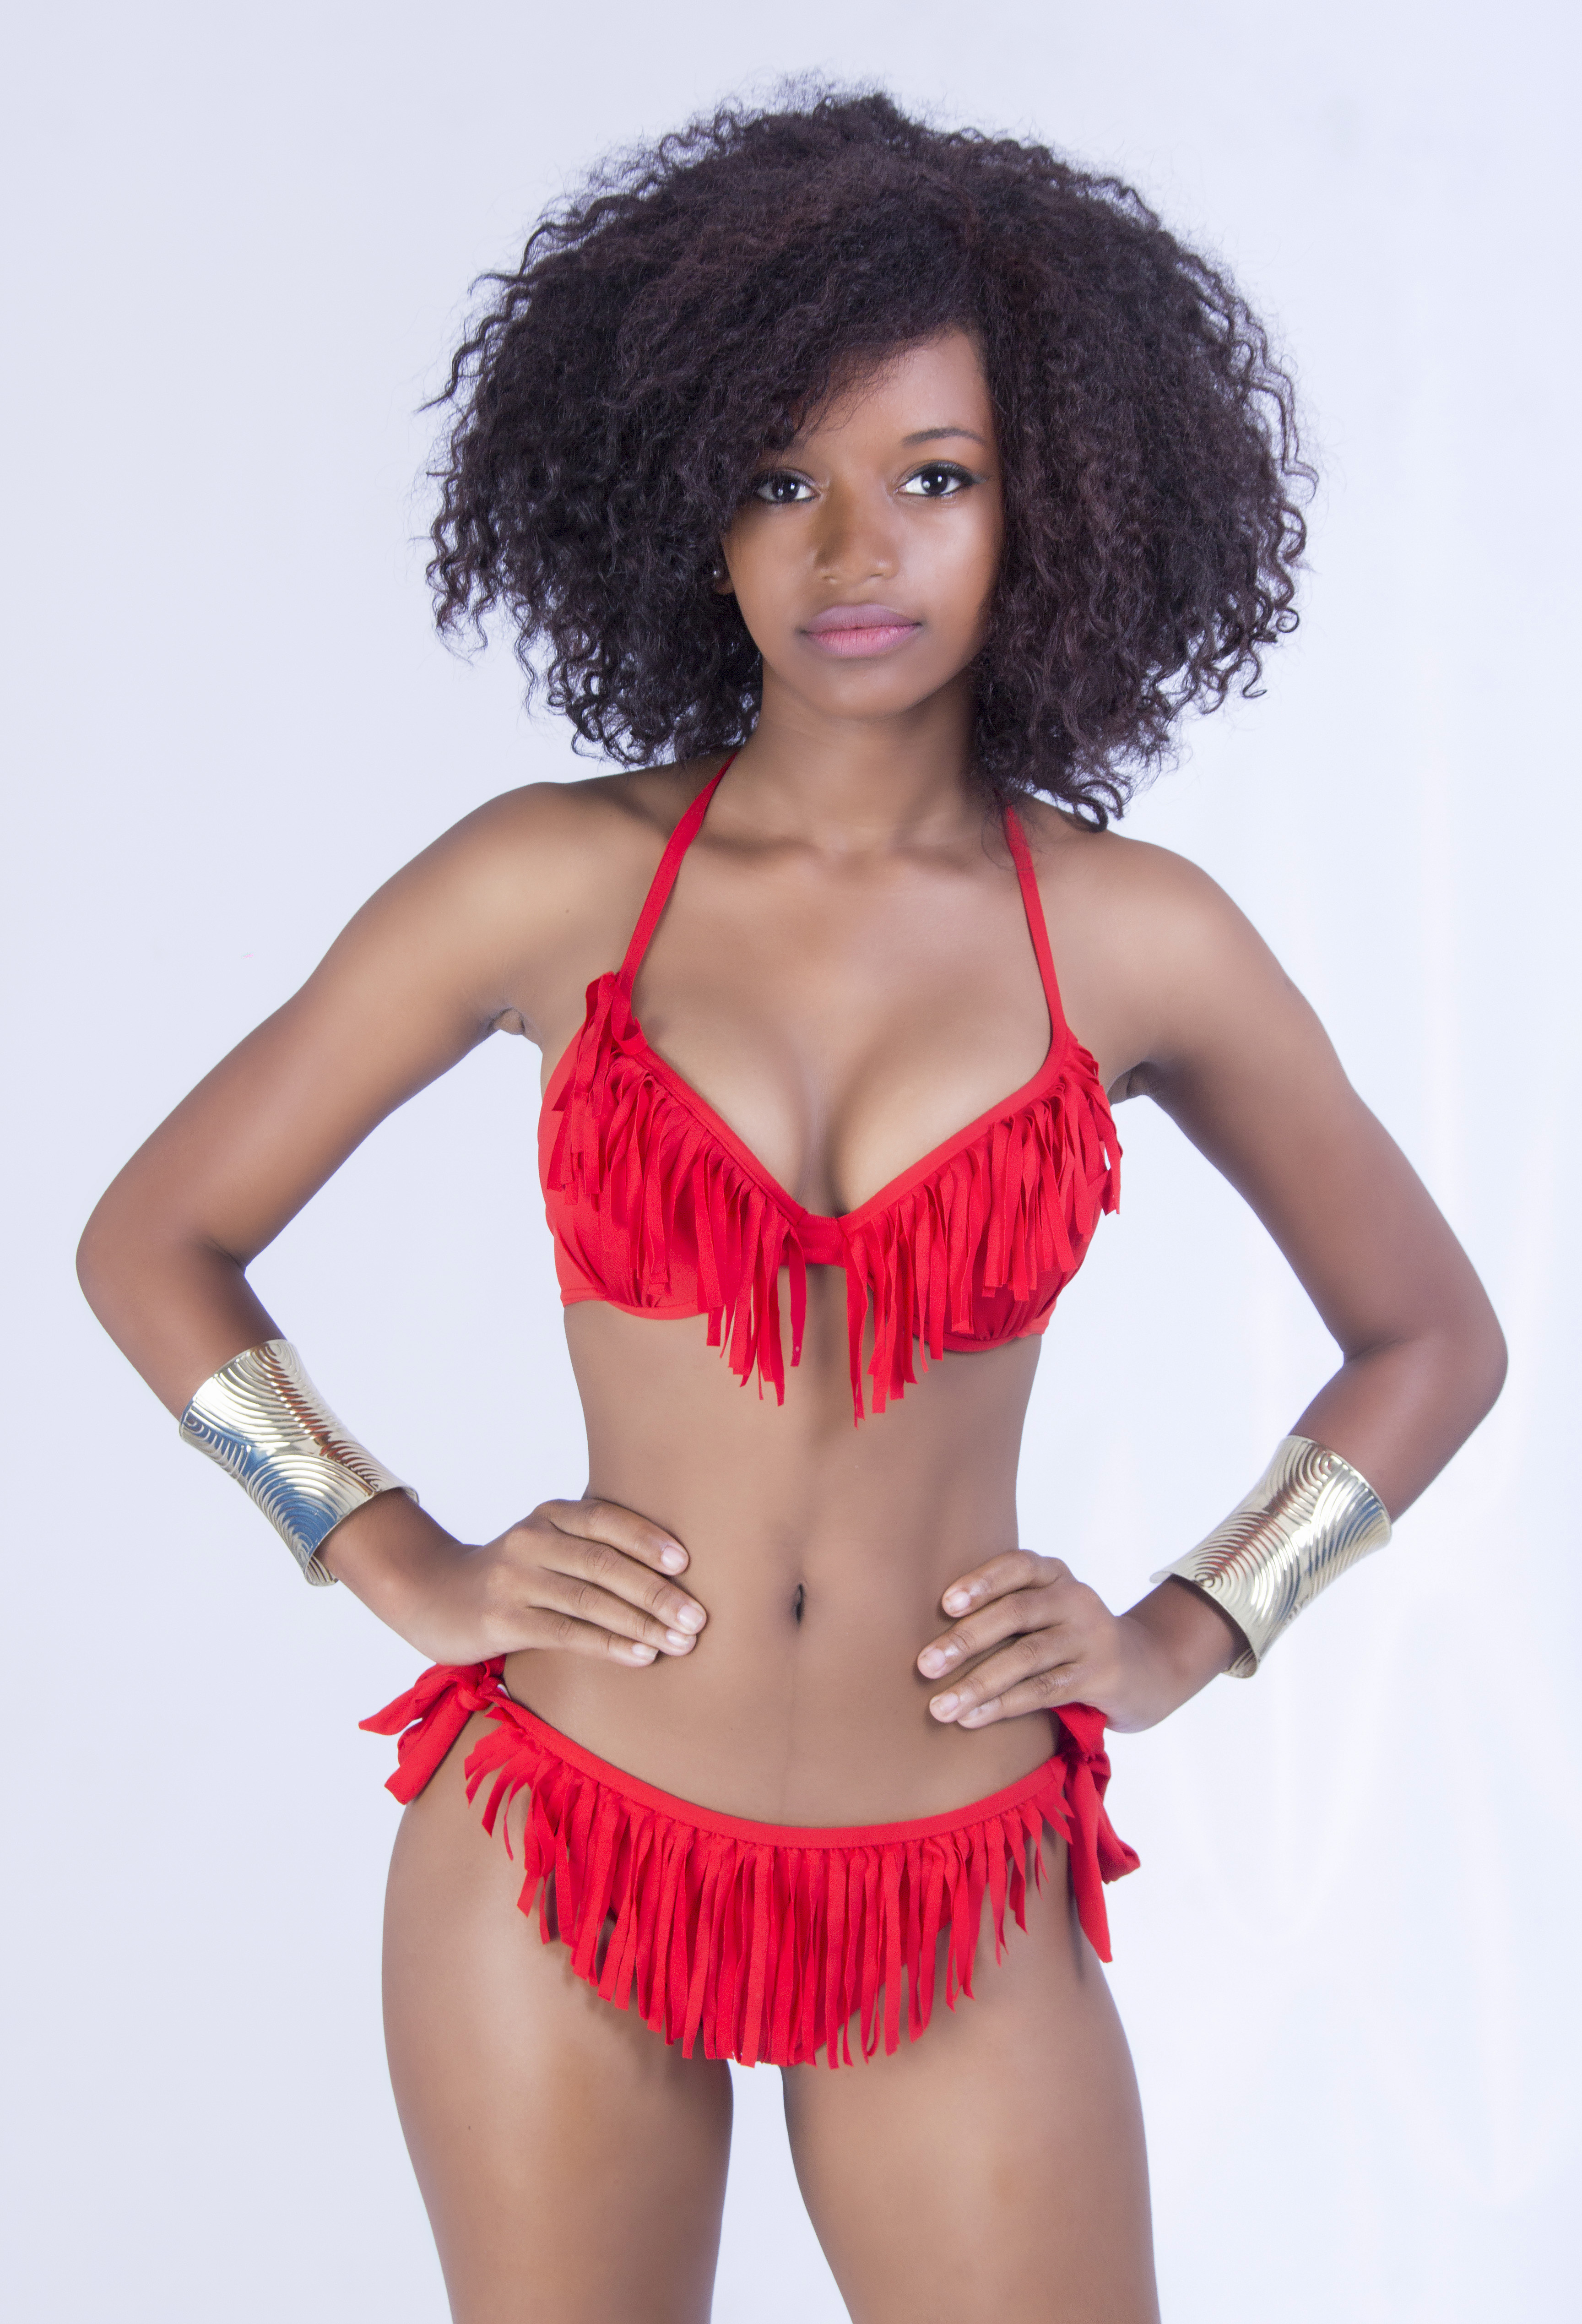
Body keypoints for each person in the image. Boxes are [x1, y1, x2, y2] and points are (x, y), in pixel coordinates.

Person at [76, 91, 1506, 2324]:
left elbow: (1433, 1337)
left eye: (934, 477)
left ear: (1051, 501)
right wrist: (397, 1556)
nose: (856, 551)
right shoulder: (547, 882)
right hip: (558, 1844)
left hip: (952, 1893)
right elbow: (151, 1238)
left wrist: (1185, 1631)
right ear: (688, 509)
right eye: (782, 480)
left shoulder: (1139, 937)